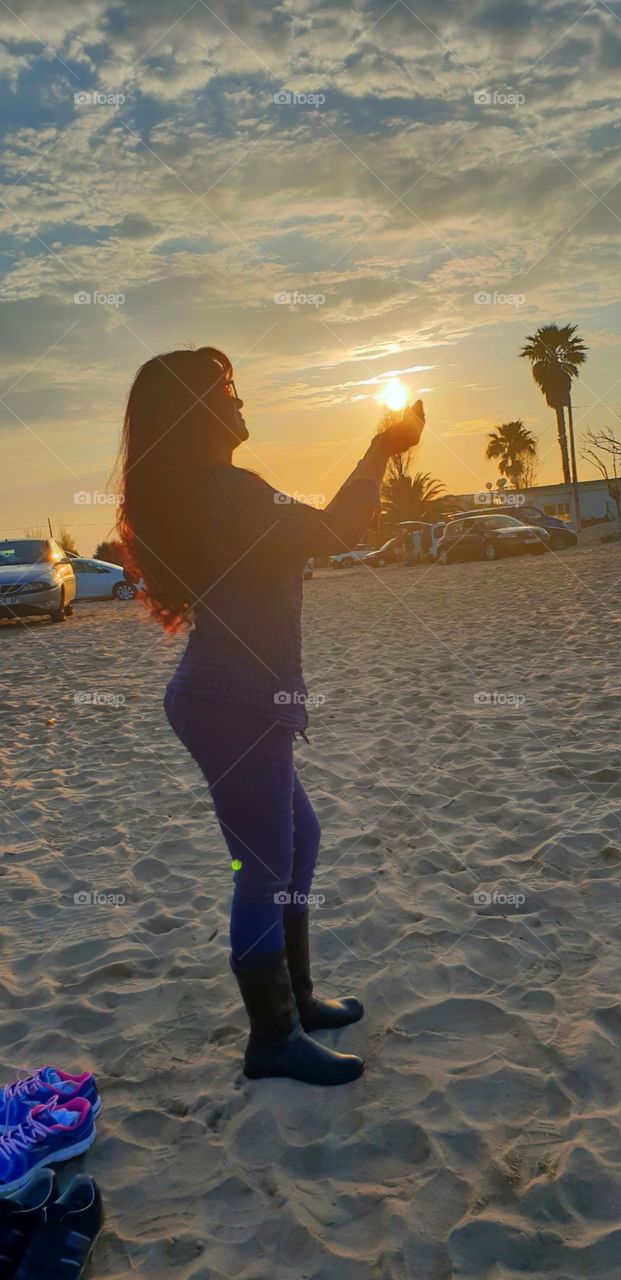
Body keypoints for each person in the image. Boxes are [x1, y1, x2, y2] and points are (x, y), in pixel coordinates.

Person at [118, 347, 425, 1087]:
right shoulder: (230, 493)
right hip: (232, 702)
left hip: (237, 698)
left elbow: (321, 532)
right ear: (197, 413)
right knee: (259, 869)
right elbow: (337, 529)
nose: (241, 403)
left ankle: (298, 999)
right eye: (227, 392)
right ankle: (272, 1040)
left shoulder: (214, 492)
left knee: (297, 841)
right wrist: (382, 446)